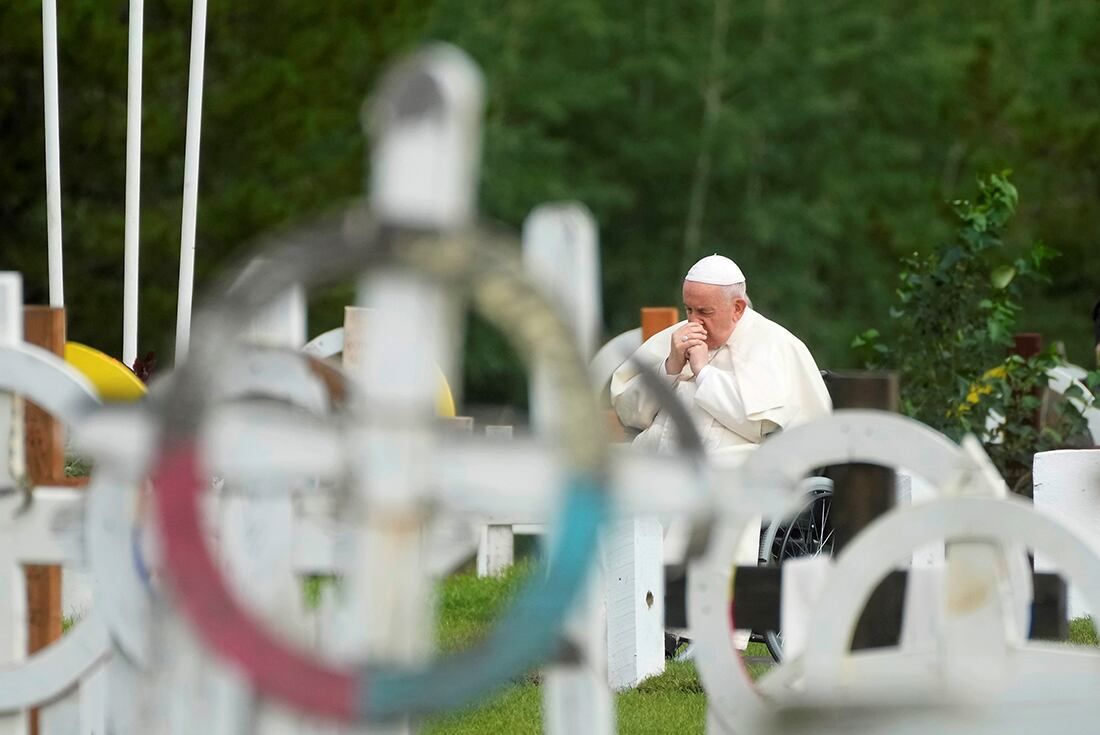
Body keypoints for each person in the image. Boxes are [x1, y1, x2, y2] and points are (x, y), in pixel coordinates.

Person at [610, 254, 831, 456]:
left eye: (705, 312)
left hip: (730, 483)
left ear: (737, 308)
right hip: (652, 472)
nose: (694, 321)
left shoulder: (777, 345)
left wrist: (704, 373)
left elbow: (761, 426)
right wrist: (670, 368)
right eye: (689, 310)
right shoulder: (674, 337)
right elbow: (629, 414)